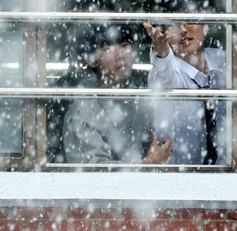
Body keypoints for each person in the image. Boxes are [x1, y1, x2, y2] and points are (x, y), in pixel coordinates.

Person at [63, 24, 173, 164]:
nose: (120, 55)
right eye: (108, 49)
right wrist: (148, 165)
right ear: (90, 59)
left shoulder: (144, 97)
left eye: (125, 45)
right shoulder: (82, 114)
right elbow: (94, 175)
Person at [143, 22, 227, 165]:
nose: (182, 30)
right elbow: (163, 66)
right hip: (180, 179)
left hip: (228, 175)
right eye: (173, 25)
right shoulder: (165, 75)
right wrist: (161, 51)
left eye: (189, 21)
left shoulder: (222, 59)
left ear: (205, 26)